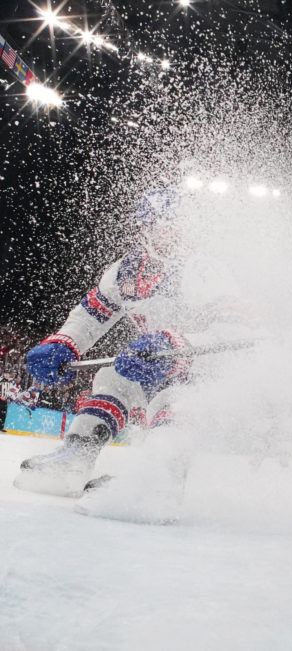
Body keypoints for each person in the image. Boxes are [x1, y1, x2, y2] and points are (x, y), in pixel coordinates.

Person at [14, 188, 246, 520]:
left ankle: (158, 479)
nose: (166, 232)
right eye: (156, 224)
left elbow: (234, 336)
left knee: (176, 401)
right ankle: (76, 457)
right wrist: (64, 343)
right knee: (113, 377)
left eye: (174, 223)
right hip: (159, 364)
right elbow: (90, 316)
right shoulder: (129, 269)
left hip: (207, 373)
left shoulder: (205, 268)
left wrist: (174, 345)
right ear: (144, 228)